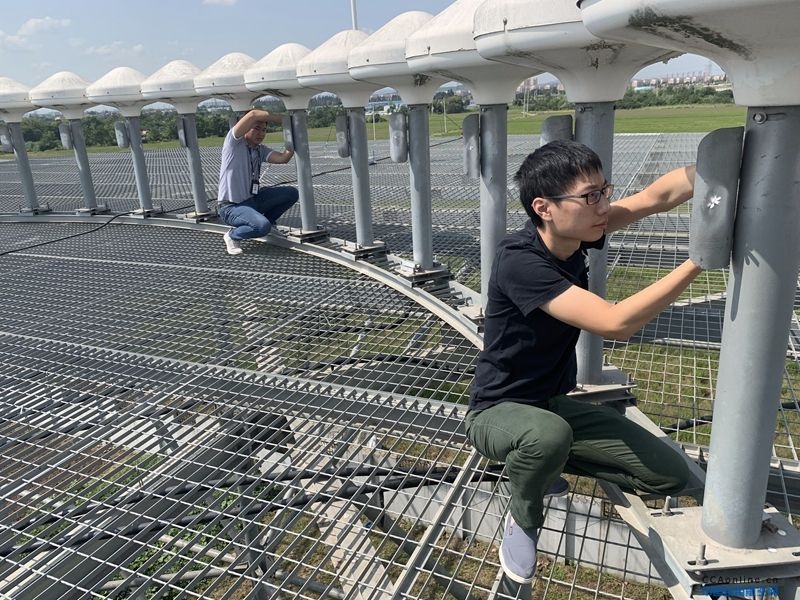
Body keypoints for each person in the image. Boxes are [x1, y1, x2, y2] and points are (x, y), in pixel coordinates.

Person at [466, 140, 700, 584]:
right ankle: (525, 512)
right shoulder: (520, 261)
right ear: (545, 207)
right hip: (496, 411)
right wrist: (697, 261)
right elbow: (614, 322)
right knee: (546, 436)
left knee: (669, 475)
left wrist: (722, 168)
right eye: (590, 196)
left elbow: (655, 197)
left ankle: (541, 462)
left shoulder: (577, 232)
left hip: (551, 405)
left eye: (604, 191)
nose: (604, 205)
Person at [217, 108, 299, 255]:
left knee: (291, 193)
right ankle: (232, 235)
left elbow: (283, 158)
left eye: (264, 130)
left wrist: (294, 137)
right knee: (261, 227)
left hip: (252, 200)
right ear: (245, 127)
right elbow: (253, 114)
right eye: (257, 128)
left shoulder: (259, 149)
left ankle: (269, 223)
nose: (261, 134)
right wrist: (286, 121)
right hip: (231, 207)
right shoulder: (234, 143)